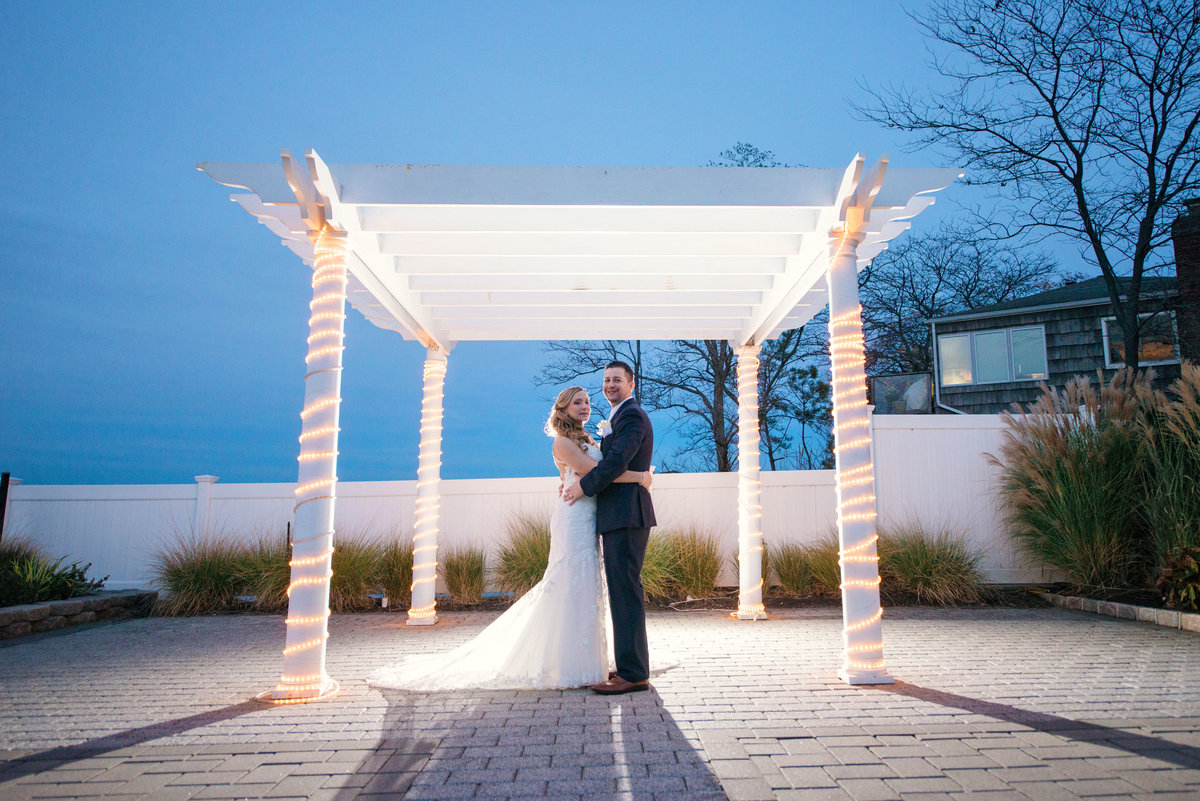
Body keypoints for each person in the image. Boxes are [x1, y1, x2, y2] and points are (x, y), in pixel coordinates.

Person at [366, 385, 651, 691]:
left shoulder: (587, 439)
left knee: (585, 589)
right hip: (574, 520)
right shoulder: (563, 442)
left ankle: (587, 661)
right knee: (569, 585)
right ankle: (567, 662)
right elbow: (599, 472)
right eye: (577, 402)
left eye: (587, 402)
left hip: (588, 519)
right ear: (564, 409)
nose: (585, 406)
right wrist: (640, 476)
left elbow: (597, 472)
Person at [561, 361, 656, 695]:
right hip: (618, 515)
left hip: (627, 514)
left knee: (625, 592)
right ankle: (630, 665)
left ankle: (633, 674)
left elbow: (616, 463)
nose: (610, 384)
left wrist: (584, 487)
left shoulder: (631, 416)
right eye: (606, 380)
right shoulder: (617, 418)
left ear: (631, 384)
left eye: (617, 379)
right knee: (621, 591)